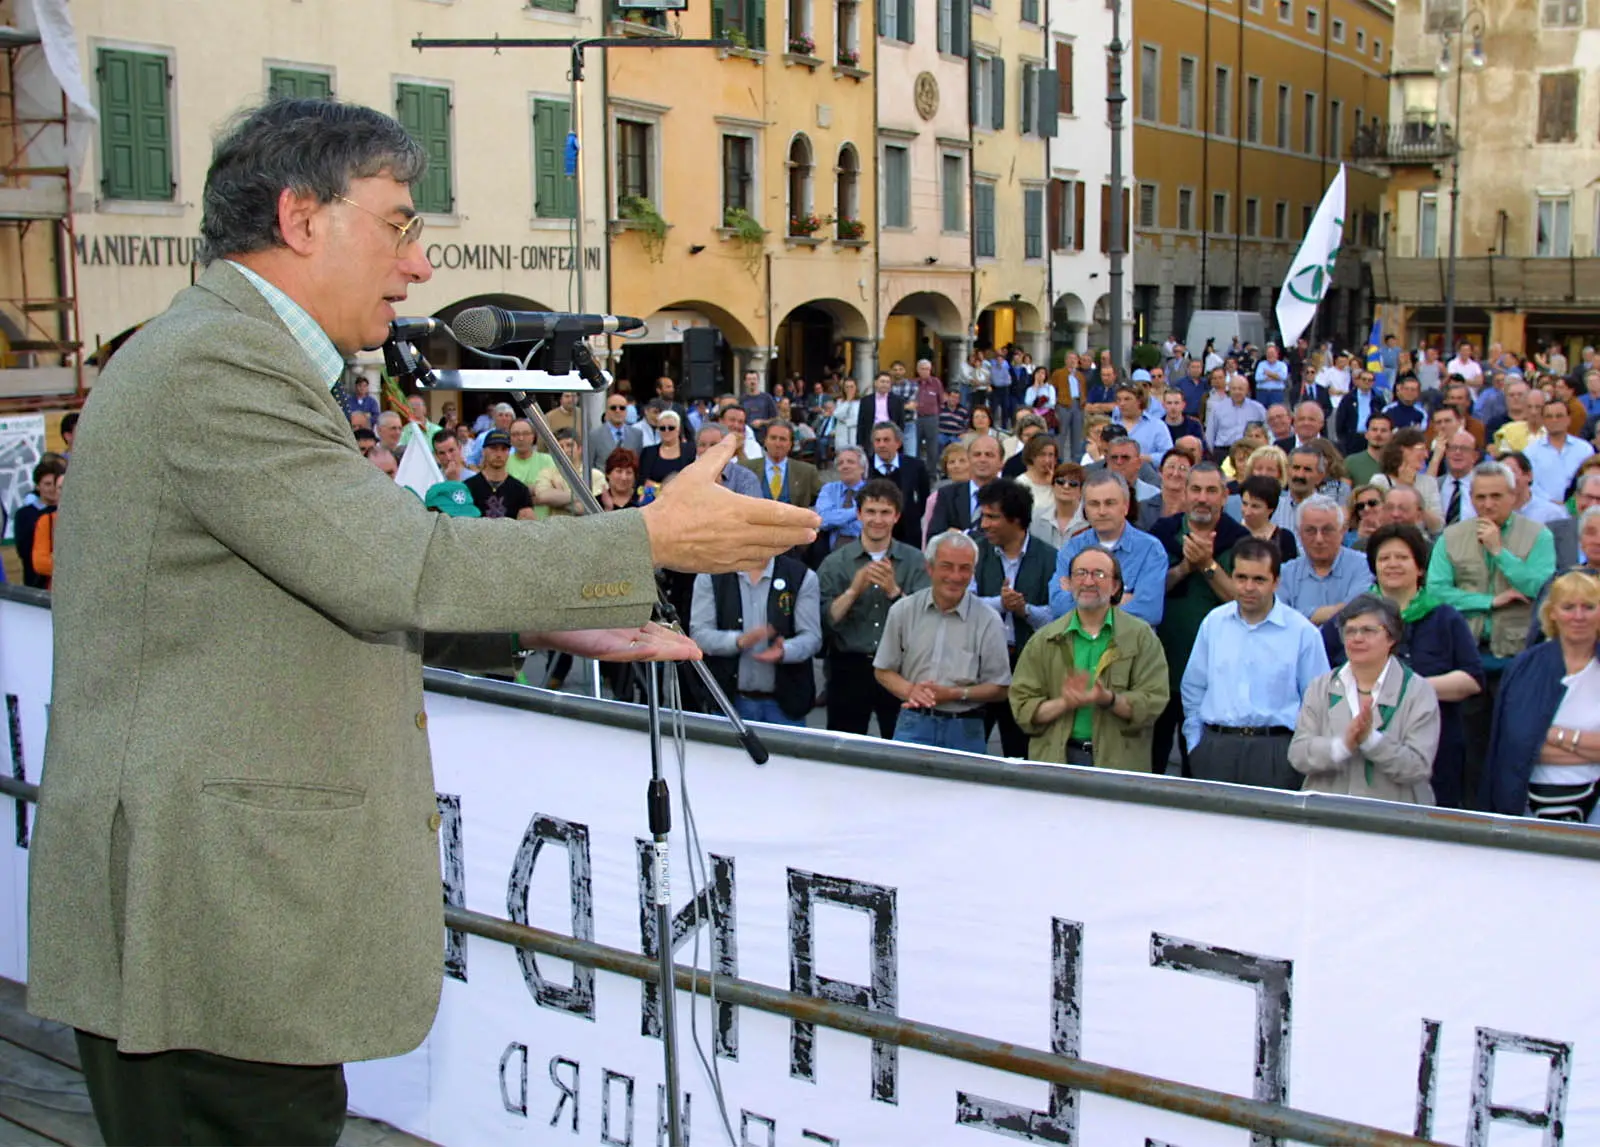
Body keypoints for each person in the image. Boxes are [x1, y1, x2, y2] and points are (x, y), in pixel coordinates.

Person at [26, 96, 821, 1147]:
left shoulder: (226, 353)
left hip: (224, 926)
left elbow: (301, 584)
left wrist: (550, 623)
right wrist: (650, 541)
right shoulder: (219, 365)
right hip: (207, 928)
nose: (417, 265)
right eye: (399, 223)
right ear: (304, 219)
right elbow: (397, 562)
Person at [1321, 524, 1484, 807]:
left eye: (1402, 558)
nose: (1392, 564)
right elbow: (1321, 675)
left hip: (1431, 755)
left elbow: (1472, 679)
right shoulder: (1349, 618)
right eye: (1384, 559)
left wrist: (1409, 690)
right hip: (1356, 756)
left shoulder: (1445, 618)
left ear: (1420, 568)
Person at [1181, 538, 1331, 789]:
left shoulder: (1302, 633)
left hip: (1276, 752)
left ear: (1276, 581)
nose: (1248, 587)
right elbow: (1194, 686)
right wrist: (1195, 743)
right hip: (1216, 748)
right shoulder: (1214, 623)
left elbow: (1318, 702)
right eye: (1241, 577)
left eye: (1259, 579)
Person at [1009, 546, 1170, 769]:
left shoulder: (1141, 637)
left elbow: (1154, 702)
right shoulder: (1044, 639)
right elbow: (1022, 706)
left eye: (1099, 574)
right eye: (1081, 573)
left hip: (1118, 764)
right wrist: (1065, 702)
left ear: (1115, 587)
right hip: (1056, 762)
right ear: (1068, 583)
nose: (1088, 582)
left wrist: (1108, 699)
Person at [1291, 594, 1442, 803]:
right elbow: (1298, 754)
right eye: (1350, 631)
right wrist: (1342, 745)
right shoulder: (1321, 687)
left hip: (1394, 819)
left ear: (1391, 638)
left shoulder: (1418, 691)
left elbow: (1418, 766)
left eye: (1368, 631)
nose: (1357, 638)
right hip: (1328, 816)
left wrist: (1371, 741)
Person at [873, 530, 1011, 753]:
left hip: (965, 727)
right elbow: (883, 670)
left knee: (964, 789)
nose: (955, 576)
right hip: (914, 721)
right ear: (930, 568)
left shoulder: (988, 620)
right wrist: (911, 691)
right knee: (903, 787)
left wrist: (955, 694)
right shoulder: (904, 610)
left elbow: (1000, 687)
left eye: (964, 568)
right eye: (946, 566)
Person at [1150, 462, 1248, 773]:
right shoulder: (1162, 534)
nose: (1202, 498)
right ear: (1185, 492)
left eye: (1211, 491)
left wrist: (1207, 564)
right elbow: (1148, 592)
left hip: (1215, 674)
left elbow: (1244, 601)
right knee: (1151, 761)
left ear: (1224, 496)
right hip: (1161, 670)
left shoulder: (1241, 540)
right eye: (1196, 489)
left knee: (1200, 765)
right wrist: (1183, 569)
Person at [818, 479, 931, 737]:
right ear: (858, 515)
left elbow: (925, 621)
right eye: (870, 512)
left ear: (896, 517)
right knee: (843, 749)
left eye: (885, 512)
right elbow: (826, 621)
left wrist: (894, 591)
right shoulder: (835, 563)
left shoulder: (915, 561)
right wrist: (854, 590)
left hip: (900, 668)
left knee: (901, 748)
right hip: (849, 667)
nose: (877, 520)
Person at [1483, 572, 1600, 819]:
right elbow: (1517, 746)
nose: (1578, 616)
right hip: (1531, 801)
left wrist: (1550, 734)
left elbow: (1531, 741)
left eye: (1588, 607)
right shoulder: (1526, 667)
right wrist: (1587, 746)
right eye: (1568, 607)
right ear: (1553, 613)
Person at [1427, 461, 1557, 660]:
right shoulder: (1450, 537)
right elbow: (1436, 592)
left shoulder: (1539, 535)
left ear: (1513, 496)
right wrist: (1490, 601)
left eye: (1496, 496)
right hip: (1462, 648)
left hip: (1519, 650)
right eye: (1480, 497)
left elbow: (1541, 589)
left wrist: (1498, 552)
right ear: (1470, 498)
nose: (1487, 504)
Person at [972, 480, 1058, 757]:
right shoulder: (974, 552)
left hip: (1028, 670)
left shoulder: (1051, 558)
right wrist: (1001, 603)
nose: (984, 524)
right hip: (980, 669)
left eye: (992, 517)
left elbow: (1058, 617)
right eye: (983, 515)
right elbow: (965, 604)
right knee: (970, 750)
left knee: (1020, 752)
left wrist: (1025, 611)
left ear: (1017, 519)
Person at [690, 549, 823, 727]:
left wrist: (786, 650)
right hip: (727, 704)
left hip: (785, 707)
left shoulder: (802, 576)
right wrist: (737, 641)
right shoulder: (711, 575)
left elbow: (812, 637)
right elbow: (699, 634)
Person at [1048, 471, 1167, 626]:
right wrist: (1118, 600)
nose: (1102, 511)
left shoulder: (1150, 550)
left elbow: (1148, 612)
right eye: (1094, 504)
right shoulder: (1072, 548)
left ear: (1125, 506)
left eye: (1109, 503)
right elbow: (1058, 606)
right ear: (1085, 509)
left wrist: (1084, 598)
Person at [866, 421, 930, 546]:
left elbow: (924, 498)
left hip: (909, 535)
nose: (881, 445)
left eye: (886, 440)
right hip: (875, 534)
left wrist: (913, 516)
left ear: (898, 443)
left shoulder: (915, 466)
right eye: (877, 440)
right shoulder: (865, 467)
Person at [929, 433, 1003, 537]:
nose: (982, 459)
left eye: (989, 455)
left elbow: (1008, 538)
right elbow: (934, 537)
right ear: (969, 459)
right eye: (977, 455)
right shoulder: (947, 494)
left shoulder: (1012, 495)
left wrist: (962, 534)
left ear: (1001, 462)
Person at [1369, 428, 1443, 533]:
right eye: (1421, 449)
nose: (1426, 455)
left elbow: (1438, 526)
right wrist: (1403, 485)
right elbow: (1376, 517)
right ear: (1402, 450)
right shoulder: (1380, 481)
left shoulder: (1429, 482)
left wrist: (1413, 494)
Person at [1525, 396, 1594, 506]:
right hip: (1543, 510)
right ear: (1542, 420)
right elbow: (1530, 484)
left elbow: (1591, 479)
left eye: (1559, 416)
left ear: (1568, 419)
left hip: (1579, 507)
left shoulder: (1584, 449)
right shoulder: (1531, 452)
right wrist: (1551, 503)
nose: (1554, 420)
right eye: (1549, 416)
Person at [740, 419, 821, 508]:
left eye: (783, 439)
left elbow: (823, 498)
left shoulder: (806, 472)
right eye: (773, 438)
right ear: (765, 441)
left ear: (790, 444)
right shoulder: (746, 468)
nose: (777, 444)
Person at [465, 429, 537, 519]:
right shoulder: (468, 487)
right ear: (483, 451)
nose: (499, 454)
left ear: (508, 453)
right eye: (493, 448)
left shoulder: (520, 490)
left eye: (504, 449)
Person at [1238, 474, 1298, 563]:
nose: (1247, 511)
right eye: (1244, 504)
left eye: (1255, 506)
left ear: (1270, 509)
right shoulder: (1232, 533)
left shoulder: (1284, 538)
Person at [1204, 373, 1266, 452]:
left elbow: (1267, 430)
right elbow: (1210, 434)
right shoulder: (1218, 408)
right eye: (1234, 389)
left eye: (1240, 389)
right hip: (1223, 450)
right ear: (1229, 389)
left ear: (1247, 390)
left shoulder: (1258, 408)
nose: (1237, 392)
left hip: (1249, 450)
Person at [1032, 462, 1086, 548]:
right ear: (1053, 486)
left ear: (1081, 490)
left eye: (1073, 484)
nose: (1066, 486)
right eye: (1060, 482)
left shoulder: (1089, 520)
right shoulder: (1035, 517)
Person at [857, 371, 908, 450]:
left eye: (887, 382)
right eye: (882, 381)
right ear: (876, 383)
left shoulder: (897, 400)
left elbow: (901, 422)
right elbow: (861, 423)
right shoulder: (866, 400)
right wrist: (859, 443)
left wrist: (898, 439)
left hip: (890, 435)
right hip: (872, 436)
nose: (885, 384)